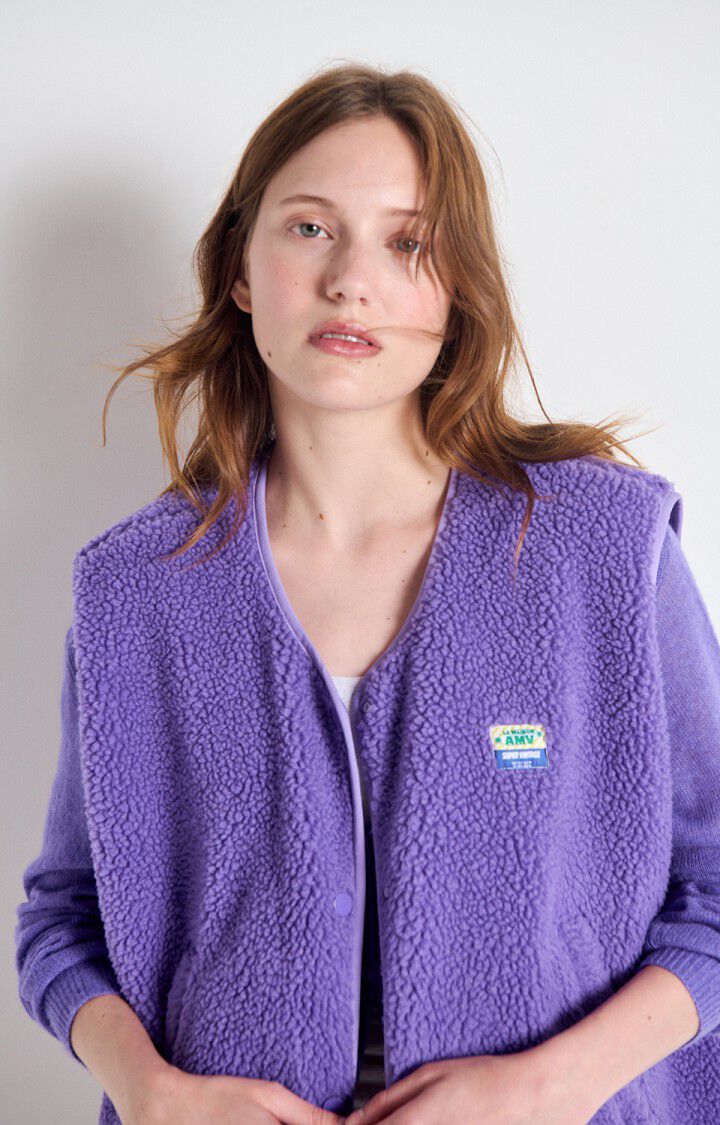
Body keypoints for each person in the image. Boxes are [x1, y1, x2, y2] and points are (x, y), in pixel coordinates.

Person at [15, 62, 720, 1124]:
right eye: (310, 229)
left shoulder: (605, 550)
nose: (352, 281)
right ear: (241, 267)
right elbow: (63, 921)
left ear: (456, 289)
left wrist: (549, 1088)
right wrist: (152, 1092)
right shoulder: (133, 592)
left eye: (408, 243)